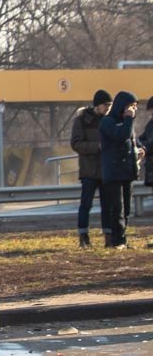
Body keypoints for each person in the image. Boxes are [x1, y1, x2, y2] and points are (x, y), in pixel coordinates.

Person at [98, 90, 144, 249]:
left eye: (135, 106)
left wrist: (140, 150)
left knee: (127, 209)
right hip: (113, 171)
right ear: (121, 106)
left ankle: (123, 239)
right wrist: (129, 119)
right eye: (131, 106)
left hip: (127, 172)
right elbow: (121, 136)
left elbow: (133, 140)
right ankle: (116, 241)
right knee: (117, 208)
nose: (133, 109)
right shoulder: (108, 122)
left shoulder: (127, 123)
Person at [71, 89, 111, 248]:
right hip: (89, 170)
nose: (108, 108)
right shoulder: (81, 120)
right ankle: (83, 236)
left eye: (109, 105)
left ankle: (108, 236)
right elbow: (76, 144)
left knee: (107, 206)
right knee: (86, 205)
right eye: (105, 105)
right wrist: (97, 147)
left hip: (106, 169)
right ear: (97, 105)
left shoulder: (109, 120)